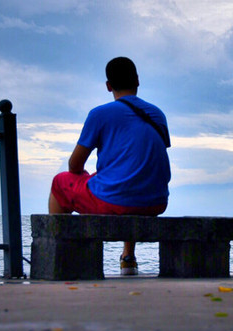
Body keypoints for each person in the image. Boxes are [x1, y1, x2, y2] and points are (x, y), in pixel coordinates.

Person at [49, 57, 171, 275]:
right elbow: (143, 160)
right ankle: (128, 258)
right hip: (156, 201)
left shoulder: (100, 114)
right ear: (138, 81)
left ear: (108, 86)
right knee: (126, 180)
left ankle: (62, 255)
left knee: (60, 182)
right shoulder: (158, 115)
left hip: (116, 200)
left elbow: (74, 165)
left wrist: (83, 174)